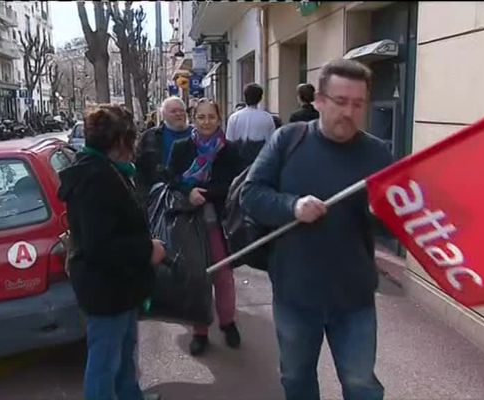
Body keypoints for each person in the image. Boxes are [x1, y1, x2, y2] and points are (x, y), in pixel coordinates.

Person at [240, 59, 392, 400]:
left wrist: (382, 214)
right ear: (319, 100)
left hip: (353, 295)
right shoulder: (287, 140)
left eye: (357, 104)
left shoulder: (377, 153)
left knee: (360, 383)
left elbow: (395, 225)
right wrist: (292, 206)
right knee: (296, 379)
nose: (349, 112)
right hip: (296, 291)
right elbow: (251, 195)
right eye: (340, 102)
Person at [58, 104, 165, 400]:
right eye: (130, 140)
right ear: (119, 142)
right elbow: (101, 245)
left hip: (118, 285)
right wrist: (147, 250)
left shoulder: (106, 170)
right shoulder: (97, 179)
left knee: (123, 352)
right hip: (105, 288)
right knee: (105, 363)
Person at [168, 98, 243, 356]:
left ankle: (228, 323)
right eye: (201, 117)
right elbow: (171, 180)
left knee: (222, 275)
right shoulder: (181, 148)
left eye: (211, 117)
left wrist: (207, 194)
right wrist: (188, 193)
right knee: (197, 276)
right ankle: (199, 332)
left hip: (219, 221)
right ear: (194, 119)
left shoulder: (230, 149)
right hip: (188, 221)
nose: (206, 122)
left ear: (219, 119)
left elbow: (236, 183)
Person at [135, 97, 193, 205]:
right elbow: (140, 170)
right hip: (159, 196)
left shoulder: (197, 135)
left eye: (181, 110)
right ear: (164, 115)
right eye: (173, 111)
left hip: (192, 194)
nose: (178, 114)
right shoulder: (150, 137)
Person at [225, 83, 276, 169]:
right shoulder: (267, 117)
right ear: (260, 98)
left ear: (245, 97)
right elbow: (271, 143)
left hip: (238, 161)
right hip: (259, 161)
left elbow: (229, 141)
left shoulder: (234, 117)